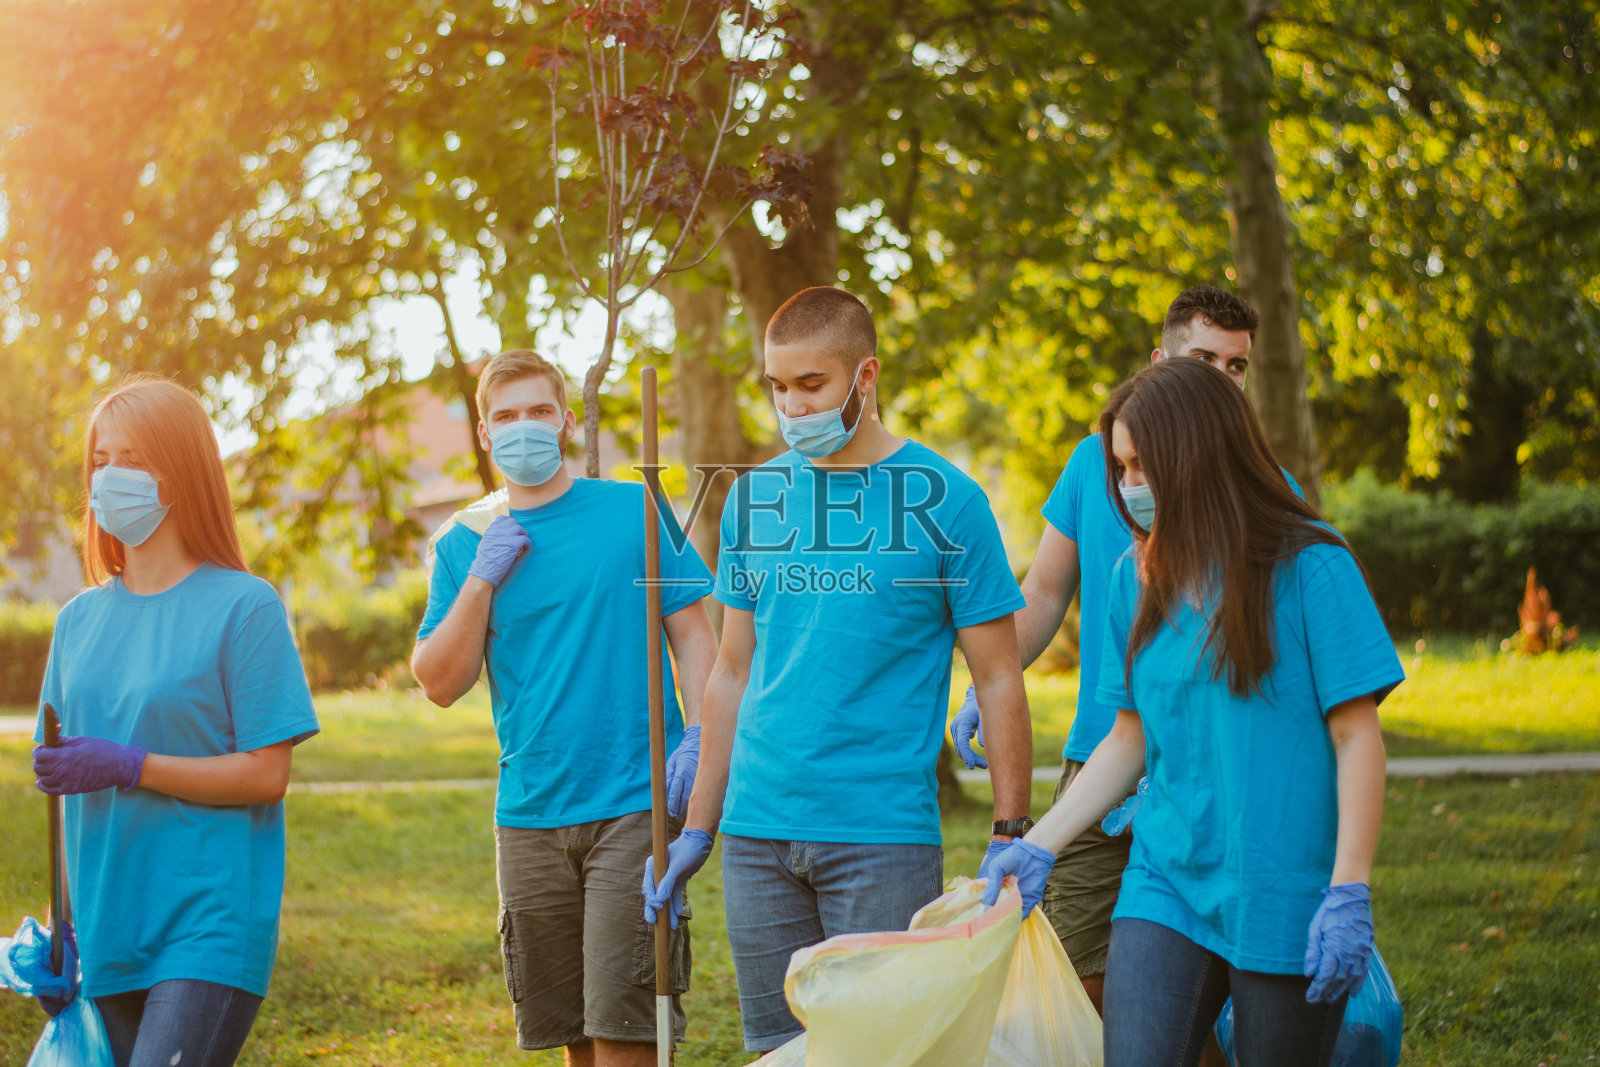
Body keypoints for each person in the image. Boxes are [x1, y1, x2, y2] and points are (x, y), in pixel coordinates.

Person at [641, 286, 1036, 1055]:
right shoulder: (755, 497)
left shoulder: (947, 502)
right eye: (777, 387)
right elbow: (729, 672)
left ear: (865, 376)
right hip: (758, 838)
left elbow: (998, 675)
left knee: (878, 1055)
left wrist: (1008, 828)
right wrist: (699, 826)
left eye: (810, 384)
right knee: (778, 1055)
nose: (791, 407)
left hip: (880, 836)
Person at [982, 357, 1401, 1066]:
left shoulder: (1312, 565)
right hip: (1166, 876)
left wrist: (1349, 886)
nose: (1128, 487)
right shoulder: (1133, 579)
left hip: (1281, 885)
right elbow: (1129, 734)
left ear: (1202, 455)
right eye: (1120, 468)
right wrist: (1042, 841)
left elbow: (1357, 735)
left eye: (1144, 466)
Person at [950, 284, 1295, 1019]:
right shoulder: (1096, 461)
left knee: (1203, 978)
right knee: (1068, 974)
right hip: (1102, 755)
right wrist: (991, 678)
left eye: (1237, 366)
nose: (1220, 377)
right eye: (1203, 357)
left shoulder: (1267, 488)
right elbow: (1043, 592)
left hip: (1210, 765)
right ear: (1157, 359)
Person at [411, 349, 717, 1067]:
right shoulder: (464, 541)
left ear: (567, 421)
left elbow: (694, 638)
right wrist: (482, 580)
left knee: (624, 1034)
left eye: (539, 412)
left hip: (633, 801)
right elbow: (439, 680)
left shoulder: (635, 509)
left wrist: (701, 735)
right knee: (573, 1040)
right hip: (529, 815)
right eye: (506, 416)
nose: (525, 428)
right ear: (485, 434)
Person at [31, 377, 320, 1067]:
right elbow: (65, 799)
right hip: (107, 925)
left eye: (132, 456)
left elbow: (267, 773)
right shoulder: (76, 623)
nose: (109, 475)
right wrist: (60, 927)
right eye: (101, 458)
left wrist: (133, 764)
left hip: (207, 924)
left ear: (181, 471)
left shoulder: (245, 607)